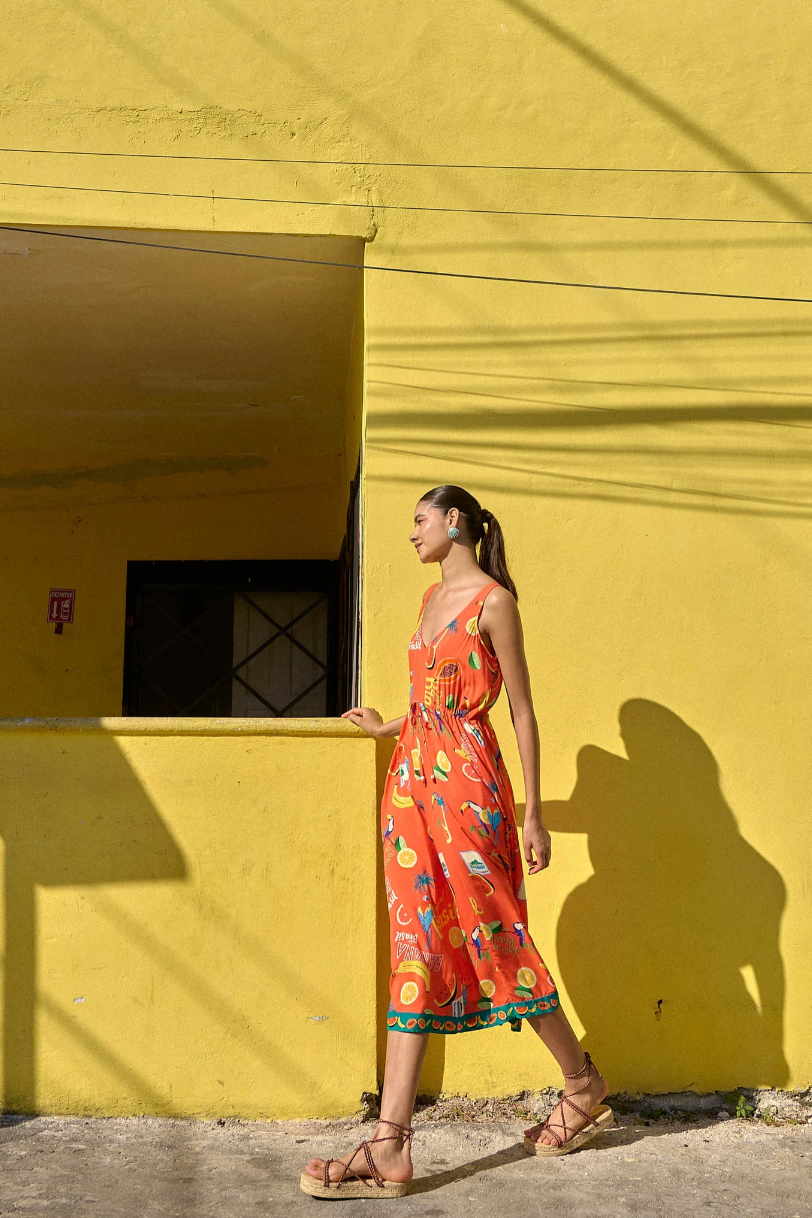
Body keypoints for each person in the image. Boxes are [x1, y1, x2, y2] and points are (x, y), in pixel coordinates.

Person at [300, 485, 613, 1200]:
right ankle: (390, 1144)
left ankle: (581, 1081)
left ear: (453, 522)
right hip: (410, 783)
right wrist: (388, 728)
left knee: (495, 936)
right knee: (415, 945)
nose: (410, 534)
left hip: (468, 781)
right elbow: (428, 692)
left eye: (418, 521)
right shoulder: (425, 602)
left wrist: (534, 813)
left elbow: (524, 712)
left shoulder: (494, 601)